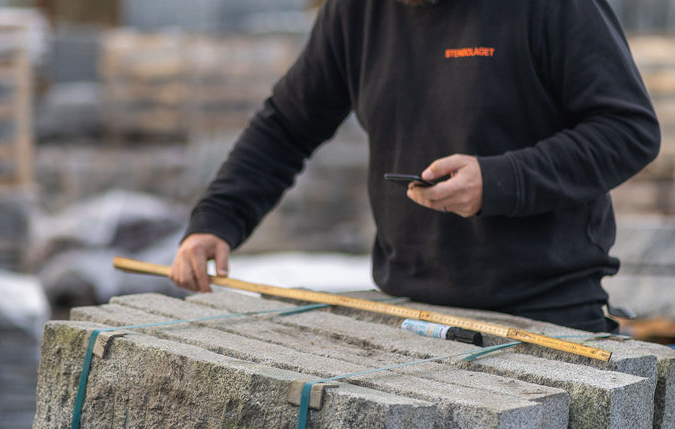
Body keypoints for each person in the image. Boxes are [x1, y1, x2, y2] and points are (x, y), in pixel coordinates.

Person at [169, 0, 660, 332]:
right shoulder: (356, 11)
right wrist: (217, 219)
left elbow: (628, 130)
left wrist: (499, 181)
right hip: (410, 312)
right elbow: (286, 126)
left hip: (547, 314)